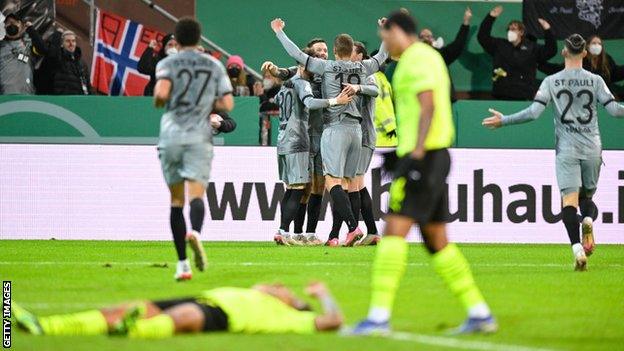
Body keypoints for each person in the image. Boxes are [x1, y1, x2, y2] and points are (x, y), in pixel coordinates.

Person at [350, 11, 496, 336]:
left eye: (385, 37)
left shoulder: (416, 60)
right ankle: (479, 312)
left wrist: (413, 156)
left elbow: (427, 105)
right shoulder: (423, 58)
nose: (384, 45)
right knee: (436, 240)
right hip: (432, 156)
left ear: (399, 32)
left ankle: (377, 318)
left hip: (425, 158)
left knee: (393, 233)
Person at [482, 34, 624, 271]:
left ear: (564, 52)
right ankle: (587, 220)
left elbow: (533, 113)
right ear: (586, 53)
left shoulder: (551, 81)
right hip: (592, 147)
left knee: (569, 203)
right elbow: (615, 111)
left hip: (567, 149)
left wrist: (504, 120)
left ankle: (578, 250)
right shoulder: (596, 80)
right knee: (587, 199)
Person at [271, 18, 388, 247]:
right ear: (351, 49)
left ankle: (353, 228)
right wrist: (385, 32)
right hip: (357, 131)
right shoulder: (363, 67)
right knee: (350, 184)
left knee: (332, 182)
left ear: (335, 51)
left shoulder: (327, 67)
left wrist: (279, 33)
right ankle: (342, 233)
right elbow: (383, 55)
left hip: (335, 128)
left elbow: (297, 55)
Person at [153, 17, 234, 281]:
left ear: (175, 40)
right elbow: (228, 104)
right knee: (196, 195)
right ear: (199, 38)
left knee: (176, 202)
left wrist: (169, 98)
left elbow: (160, 96)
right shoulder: (213, 65)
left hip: (172, 135)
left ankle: (182, 265)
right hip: (199, 135)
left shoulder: (167, 63)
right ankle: (196, 232)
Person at [13, 281, 343, 337]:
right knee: (129, 306)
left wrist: (323, 294)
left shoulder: (293, 319)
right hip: (206, 299)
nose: (279, 285)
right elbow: (262, 287)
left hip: (222, 316)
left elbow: (333, 321)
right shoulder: (256, 293)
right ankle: (46, 326)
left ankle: (134, 330)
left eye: (285, 290)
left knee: (182, 319)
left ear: (292, 304)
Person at [273, 53, 353, 246]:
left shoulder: (287, 85)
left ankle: (286, 231)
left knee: (293, 189)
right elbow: (309, 102)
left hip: (283, 138)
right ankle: (285, 231)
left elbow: (277, 100)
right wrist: (335, 101)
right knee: (298, 189)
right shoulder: (302, 82)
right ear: (303, 66)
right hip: (299, 140)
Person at [262, 37, 330, 241]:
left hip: (319, 137)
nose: (323, 53)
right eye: (319, 50)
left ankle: (308, 232)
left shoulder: (329, 73)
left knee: (317, 187)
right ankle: (296, 232)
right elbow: (285, 73)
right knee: (302, 188)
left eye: (325, 50)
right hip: (302, 138)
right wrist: (274, 70)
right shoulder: (300, 74)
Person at [478, 5, 556, 100]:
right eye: (509, 29)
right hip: (501, 94)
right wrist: (490, 17)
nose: (510, 32)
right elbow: (482, 37)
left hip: (523, 95)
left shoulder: (532, 48)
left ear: (521, 32)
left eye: (513, 29)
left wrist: (547, 30)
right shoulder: (499, 45)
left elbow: (551, 50)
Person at [539, 35, 624, 99]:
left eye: (599, 44)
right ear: (587, 46)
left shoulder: (607, 60)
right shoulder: (579, 59)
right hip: (581, 98)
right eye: (594, 43)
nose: (597, 45)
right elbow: (560, 69)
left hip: (603, 99)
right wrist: (540, 65)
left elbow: (615, 73)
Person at [420, 7, 472, 102]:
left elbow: (458, 44)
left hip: (443, 100)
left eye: (430, 36)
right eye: (423, 37)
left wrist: (466, 23)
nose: (427, 38)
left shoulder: (442, 55)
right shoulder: (413, 56)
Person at [0, 12, 46, 95]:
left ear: (21, 26)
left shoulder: (29, 45)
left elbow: (43, 49)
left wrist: (31, 29)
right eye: (8, 23)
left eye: (15, 22)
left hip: (26, 95)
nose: (11, 24)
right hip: (4, 97)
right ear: (5, 27)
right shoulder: (1, 46)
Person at [45, 30, 92, 95]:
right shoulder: (58, 59)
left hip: (80, 101)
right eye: (68, 41)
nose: (71, 44)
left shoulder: (82, 63)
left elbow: (88, 85)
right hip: (62, 101)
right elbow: (53, 53)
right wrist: (57, 35)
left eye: (73, 41)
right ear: (62, 44)